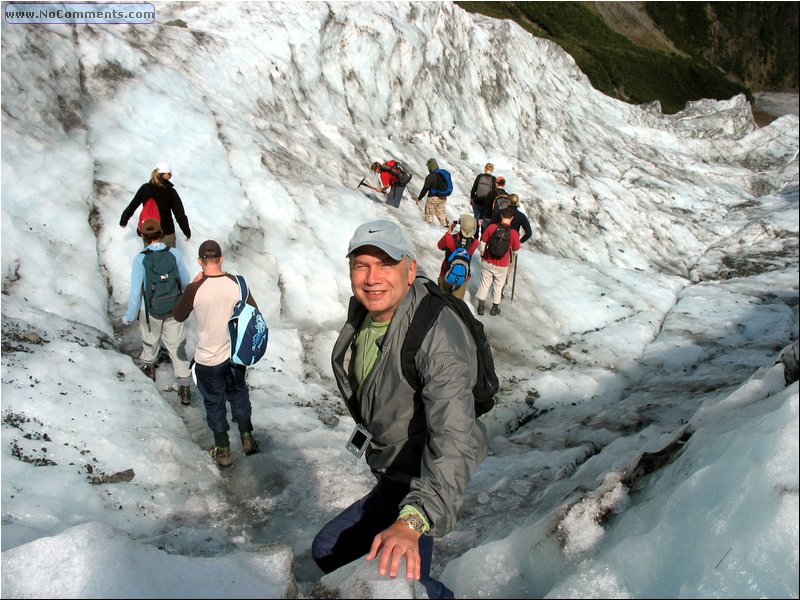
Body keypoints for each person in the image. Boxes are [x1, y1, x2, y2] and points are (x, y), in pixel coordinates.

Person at [312, 219, 487, 599]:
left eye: (386, 264)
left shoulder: (437, 337)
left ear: (410, 271)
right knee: (328, 550)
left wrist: (412, 521)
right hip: (392, 472)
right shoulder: (364, 314)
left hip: (421, 480)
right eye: (362, 265)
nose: (372, 278)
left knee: (406, 587)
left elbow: (455, 438)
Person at [173, 240, 261, 468]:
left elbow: (178, 315)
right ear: (221, 259)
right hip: (234, 356)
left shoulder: (196, 289)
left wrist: (191, 286)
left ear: (200, 261)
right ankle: (247, 437)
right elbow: (254, 311)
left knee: (214, 403)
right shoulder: (236, 283)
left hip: (208, 360)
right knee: (239, 393)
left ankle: (223, 450)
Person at [122, 219, 193, 405]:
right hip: (174, 307)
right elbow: (185, 280)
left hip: (150, 310)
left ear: (144, 237)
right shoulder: (174, 253)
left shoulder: (141, 258)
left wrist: (130, 315)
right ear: (161, 234)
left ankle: (149, 367)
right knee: (177, 346)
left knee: (150, 340)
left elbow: (136, 291)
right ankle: (185, 386)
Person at [119, 162, 192, 248]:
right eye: (170, 174)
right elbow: (180, 214)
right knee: (168, 259)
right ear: (164, 175)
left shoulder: (145, 188)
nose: (170, 176)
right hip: (166, 233)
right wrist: (187, 232)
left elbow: (132, 206)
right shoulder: (170, 192)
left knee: (151, 259)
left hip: (149, 233)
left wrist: (123, 220)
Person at [475, 206, 521, 316]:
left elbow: (483, 242)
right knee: (498, 285)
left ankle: (481, 307)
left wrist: (482, 253)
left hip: (488, 261)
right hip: (503, 264)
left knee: (484, 283)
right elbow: (516, 251)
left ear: (501, 216)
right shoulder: (514, 233)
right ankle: (495, 308)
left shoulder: (492, 227)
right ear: (512, 218)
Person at [436, 213, 480, 299]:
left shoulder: (450, 239)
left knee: (441, 299)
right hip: (463, 278)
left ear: (460, 226)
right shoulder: (475, 243)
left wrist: (449, 231)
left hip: (446, 273)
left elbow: (440, 246)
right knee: (456, 303)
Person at [416, 158, 450, 228]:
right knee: (441, 213)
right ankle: (446, 228)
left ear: (430, 167)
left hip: (432, 198)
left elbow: (425, 189)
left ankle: (428, 230)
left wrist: (419, 198)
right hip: (442, 197)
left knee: (429, 215)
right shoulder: (443, 174)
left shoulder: (430, 177)